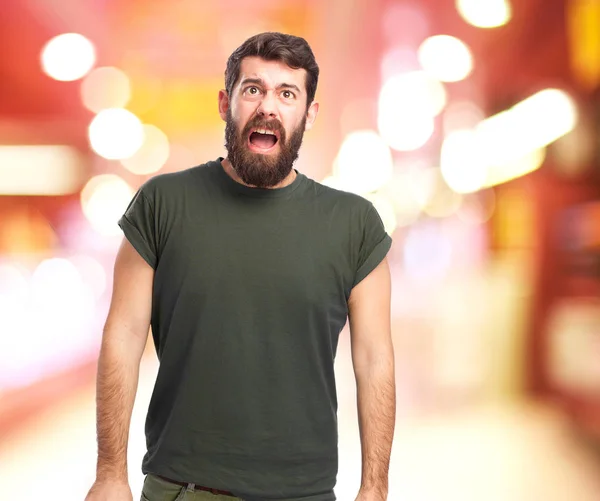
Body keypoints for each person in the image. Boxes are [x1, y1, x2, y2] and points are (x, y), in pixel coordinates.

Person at [84, 32, 395, 501]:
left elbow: (374, 361)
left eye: (287, 93)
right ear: (226, 103)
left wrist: (375, 489)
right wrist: (110, 473)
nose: (268, 107)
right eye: (254, 89)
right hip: (181, 489)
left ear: (308, 113)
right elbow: (123, 337)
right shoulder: (162, 204)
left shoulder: (354, 224)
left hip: (304, 493)